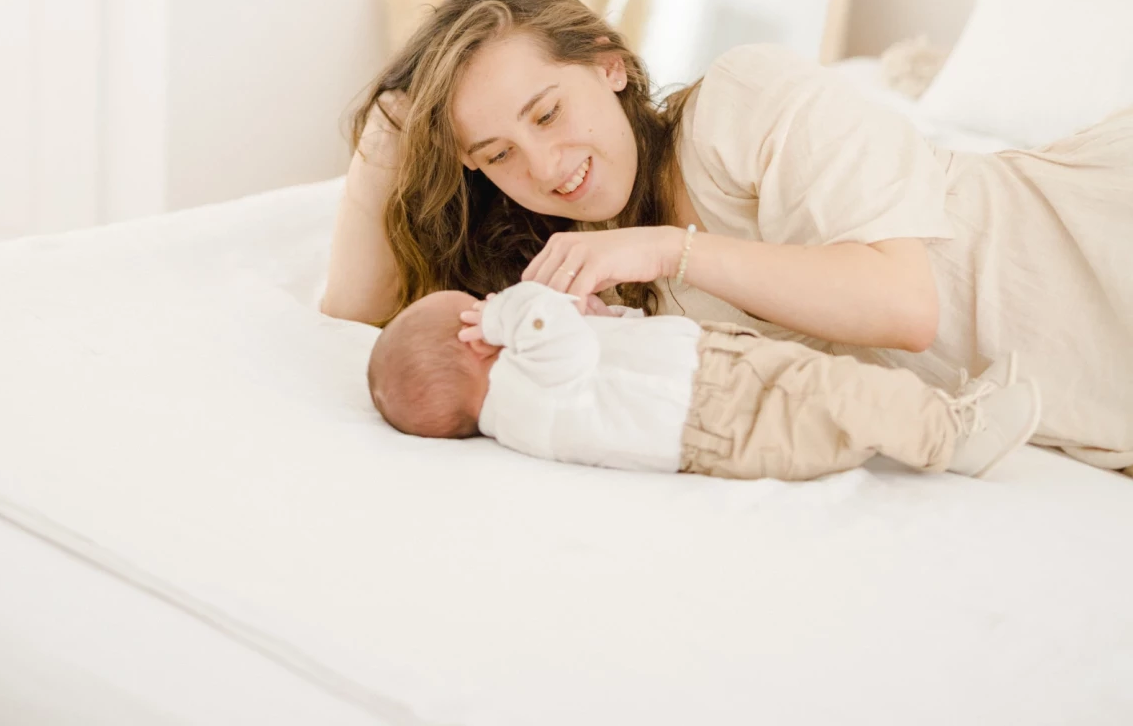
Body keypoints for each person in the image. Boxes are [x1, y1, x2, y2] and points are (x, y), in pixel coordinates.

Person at [323, 0, 1133, 473]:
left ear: (609, 64)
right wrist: (393, 127)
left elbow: (904, 307)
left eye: (546, 113)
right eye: (496, 155)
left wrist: (675, 250)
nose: (541, 169)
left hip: (1089, 239)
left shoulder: (743, 105)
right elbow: (357, 319)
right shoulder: (586, 267)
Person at [365, 281, 1040, 481]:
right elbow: (553, 333)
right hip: (718, 403)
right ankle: (953, 436)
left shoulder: (531, 395)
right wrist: (511, 310)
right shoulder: (520, 391)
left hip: (714, 403)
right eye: (477, 305)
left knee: (832, 396)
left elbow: (594, 350)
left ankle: (930, 422)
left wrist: (604, 317)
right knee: (839, 394)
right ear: (473, 345)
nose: (493, 301)